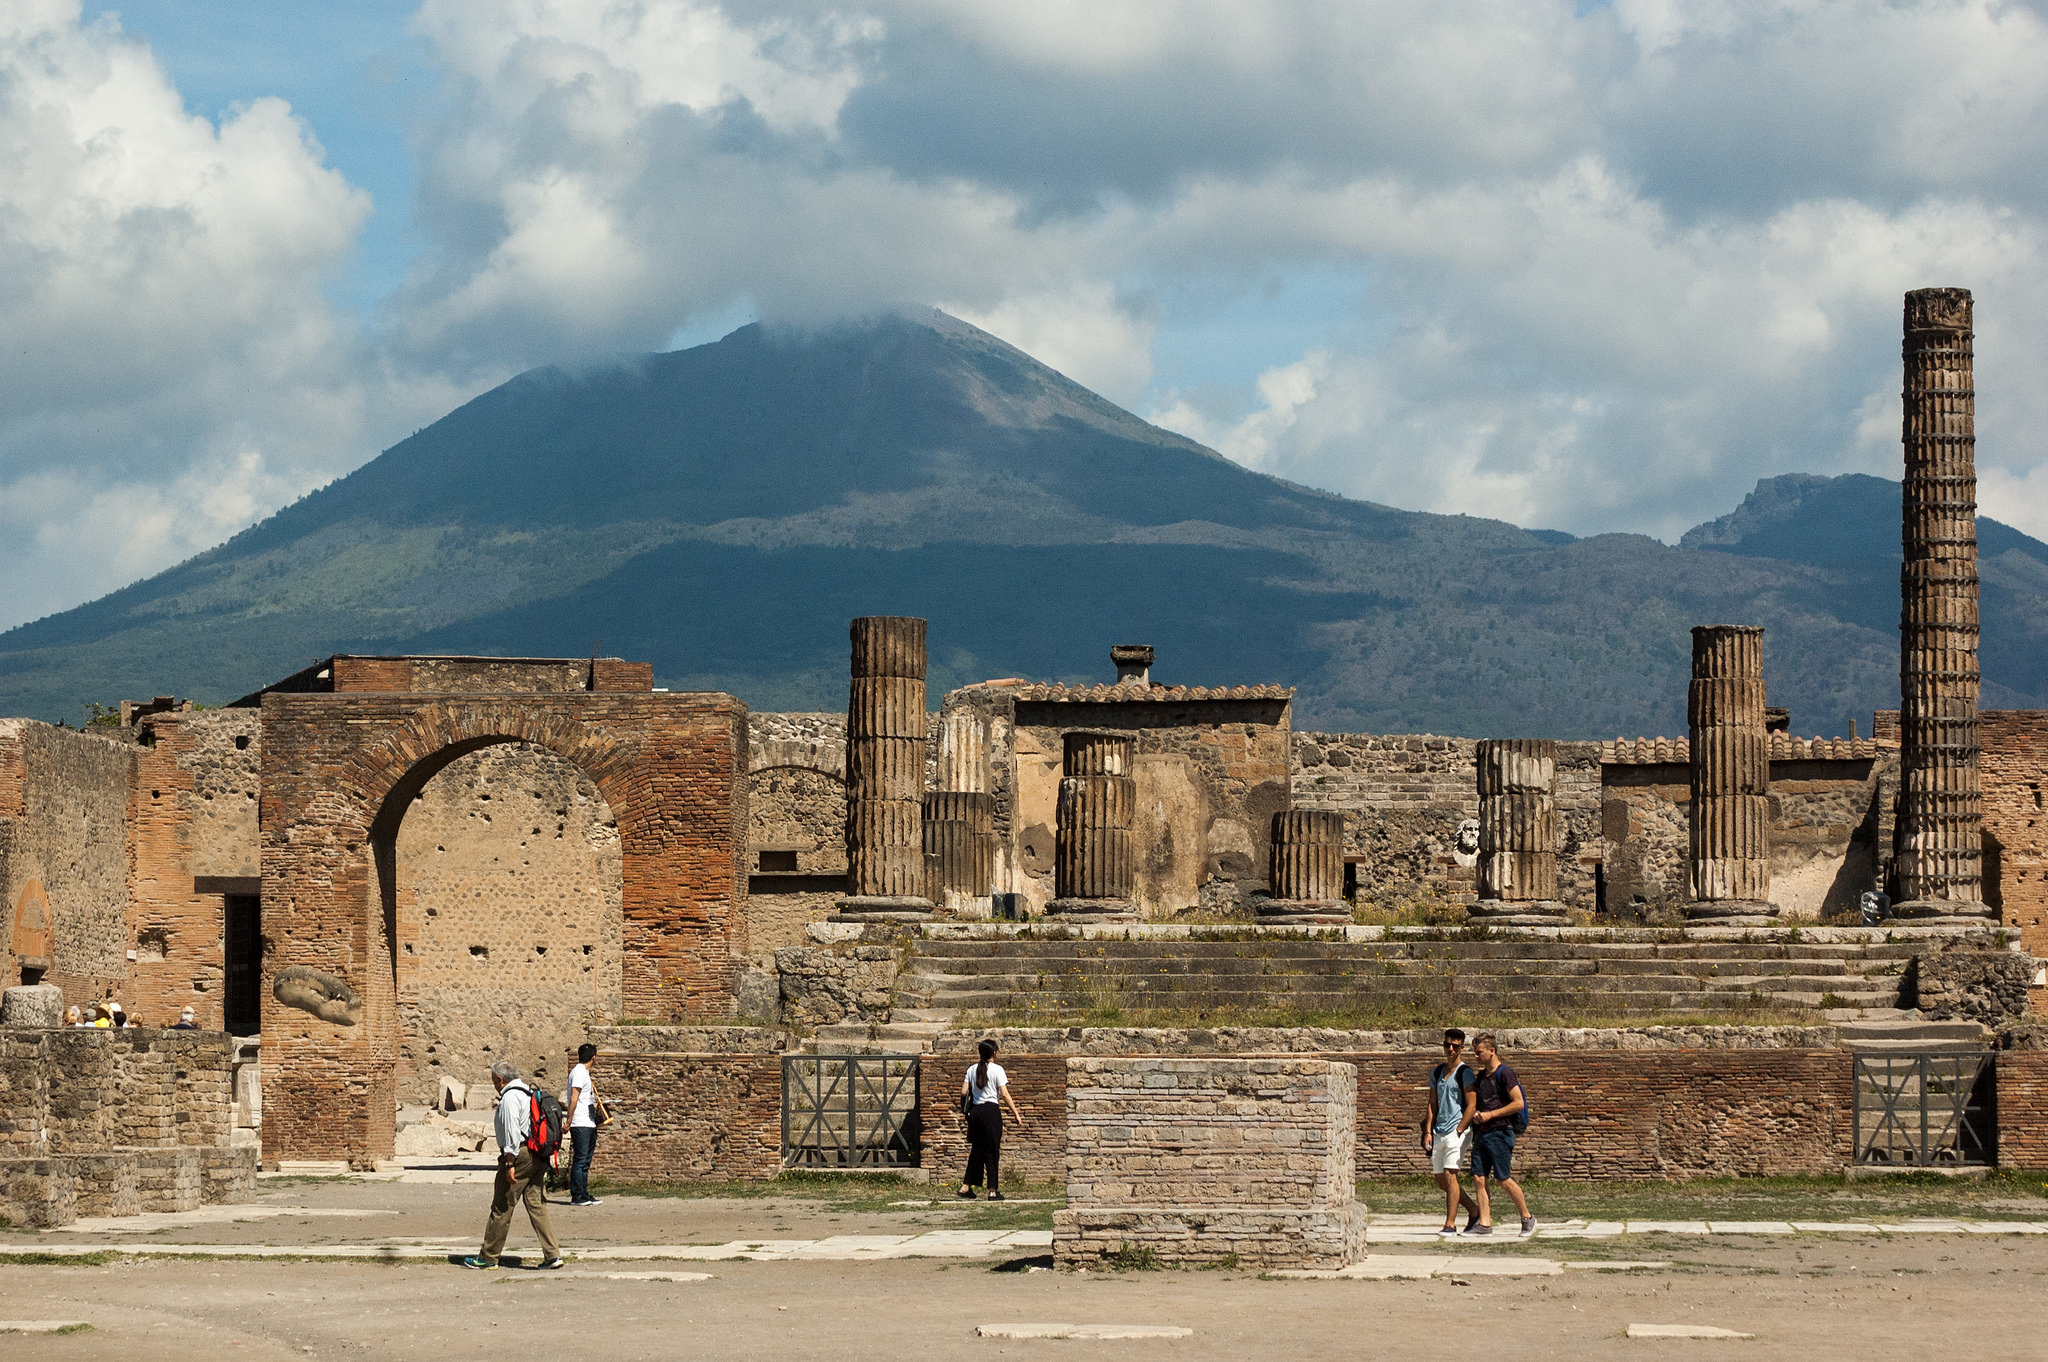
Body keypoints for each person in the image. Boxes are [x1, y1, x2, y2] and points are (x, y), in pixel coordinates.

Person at [459, 1061, 564, 1270]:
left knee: (502, 1205)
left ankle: (488, 1257)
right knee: (536, 1204)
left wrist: (509, 1163)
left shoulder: (509, 1098)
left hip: (521, 1155)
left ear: (500, 1079)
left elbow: (511, 1133)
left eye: (493, 1081)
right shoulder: (528, 1091)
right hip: (537, 1154)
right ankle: (552, 1255)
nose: (494, 1085)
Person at [1468, 1034, 1535, 1237]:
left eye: (1479, 1052)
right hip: (1482, 1132)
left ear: (1492, 1051)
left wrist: (1490, 1115)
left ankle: (1527, 1217)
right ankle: (1485, 1224)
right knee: (1479, 1177)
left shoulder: (1505, 1073)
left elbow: (1518, 1103)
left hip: (1500, 1131)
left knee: (1502, 1178)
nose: (1476, 1056)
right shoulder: (1481, 1077)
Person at [1424, 1028, 1481, 1237]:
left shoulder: (1464, 1073)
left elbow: (1471, 1104)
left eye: (1455, 1046)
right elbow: (1432, 1102)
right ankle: (1474, 1210)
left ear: (1461, 1048)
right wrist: (1428, 1131)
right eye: (1447, 1045)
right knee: (1441, 1179)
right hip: (1439, 1130)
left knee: (1450, 1173)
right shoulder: (1438, 1072)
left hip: (1458, 1130)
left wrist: (1459, 1129)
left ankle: (1450, 1223)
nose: (1450, 1049)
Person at [958, 1038, 1026, 1201]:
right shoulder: (997, 1070)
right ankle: (993, 1190)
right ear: (994, 1052)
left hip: (976, 1112)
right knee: (992, 1150)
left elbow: (963, 1092)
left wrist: (966, 1110)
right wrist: (1016, 1113)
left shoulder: (972, 1069)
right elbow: (1004, 1094)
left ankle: (966, 1186)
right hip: (991, 1112)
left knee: (977, 1150)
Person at [565, 1043, 601, 1207]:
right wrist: (569, 1120)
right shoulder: (579, 1073)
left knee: (585, 1161)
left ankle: (584, 1193)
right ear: (594, 1057)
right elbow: (574, 1098)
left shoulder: (583, 1073)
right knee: (580, 1160)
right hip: (580, 1122)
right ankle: (578, 1195)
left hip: (588, 1122)